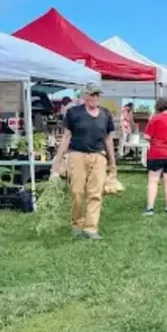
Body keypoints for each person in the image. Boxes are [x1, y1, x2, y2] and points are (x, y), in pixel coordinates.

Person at [51, 81, 117, 240]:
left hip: (99, 156)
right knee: (77, 192)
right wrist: (57, 161)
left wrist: (112, 162)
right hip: (77, 155)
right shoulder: (74, 113)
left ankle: (91, 228)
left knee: (96, 193)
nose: (94, 98)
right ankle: (77, 224)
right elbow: (66, 137)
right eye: (91, 94)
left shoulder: (105, 114)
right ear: (84, 95)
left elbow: (108, 139)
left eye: (97, 95)